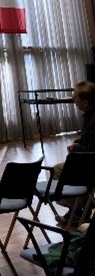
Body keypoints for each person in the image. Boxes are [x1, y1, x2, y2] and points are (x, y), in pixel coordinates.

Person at [54, 81, 95, 223]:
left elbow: (92, 149)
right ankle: (80, 209)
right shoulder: (90, 116)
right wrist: (80, 141)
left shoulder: (93, 119)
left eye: (75, 97)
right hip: (91, 163)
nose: (74, 100)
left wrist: (75, 149)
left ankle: (78, 210)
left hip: (92, 165)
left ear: (85, 102)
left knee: (59, 170)